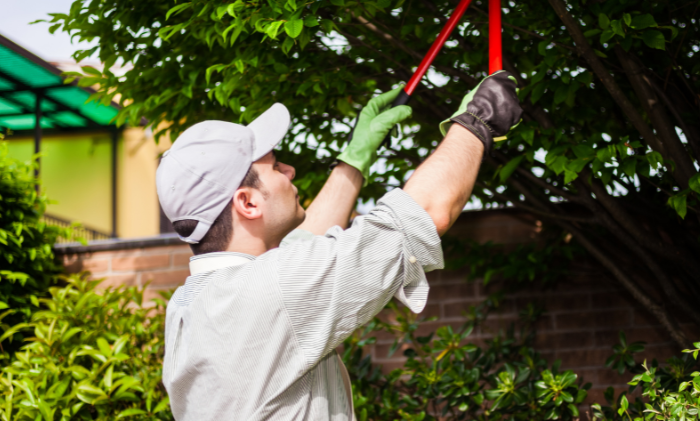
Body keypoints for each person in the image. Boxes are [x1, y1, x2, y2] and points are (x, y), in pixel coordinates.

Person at [157, 71, 522, 420]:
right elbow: (421, 215)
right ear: (248, 203)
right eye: (275, 166)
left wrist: (356, 155)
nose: (290, 171)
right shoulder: (273, 290)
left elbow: (305, 249)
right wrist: (476, 122)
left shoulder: (191, 304)